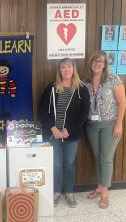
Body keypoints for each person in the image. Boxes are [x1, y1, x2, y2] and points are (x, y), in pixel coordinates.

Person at [38, 58, 90, 208]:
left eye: (69, 66)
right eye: (63, 67)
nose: (66, 69)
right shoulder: (51, 88)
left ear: (73, 69)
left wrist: (70, 130)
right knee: (57, 164)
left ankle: (69, 192)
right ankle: (56, 192)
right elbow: (42, 110)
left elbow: (84, 113)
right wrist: (52, 128)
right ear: (59, 70)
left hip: (71, 136)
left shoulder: (81, 89)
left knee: (69, 164)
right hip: (53, 134)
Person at [85, 51, 126, 209]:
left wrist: (118, 124)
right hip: (92, 125)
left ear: (105, 64)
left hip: (110, 124)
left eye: (101, 61)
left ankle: (105, 193)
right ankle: (99, 186)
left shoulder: (113, 79)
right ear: (91, 63)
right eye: (95, 61)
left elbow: (122, 103)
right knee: (97, 157)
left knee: (106, 158)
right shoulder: (86, 81)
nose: (97, 63)